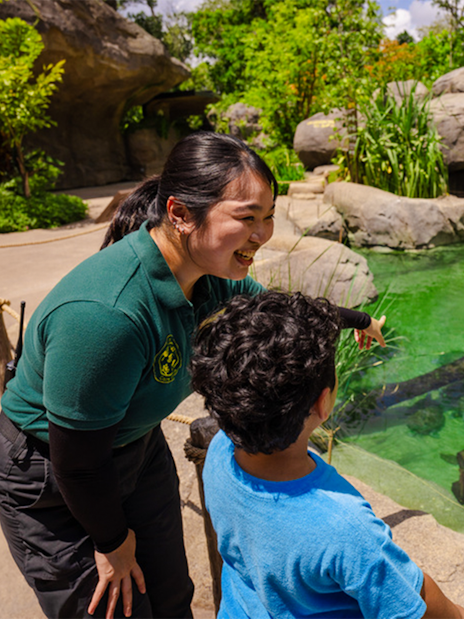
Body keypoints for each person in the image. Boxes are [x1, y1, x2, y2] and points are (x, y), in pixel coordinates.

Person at [0, 132, 385, 619]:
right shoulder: (106, 315)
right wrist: (112, 542)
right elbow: (77, 461)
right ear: (180, 214)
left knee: (171, 599)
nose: (263, 233)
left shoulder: (211, 275)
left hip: (136, 449)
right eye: (247, 217)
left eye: (268, 216)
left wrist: (359, 321)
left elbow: (283, 310)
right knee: (114, 610)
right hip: (53, 475)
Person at [191, 291, 464, 619]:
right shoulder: (345, 526)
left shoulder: (220, 451)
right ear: (323, 403)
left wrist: (361, 321)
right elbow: (416, 605)